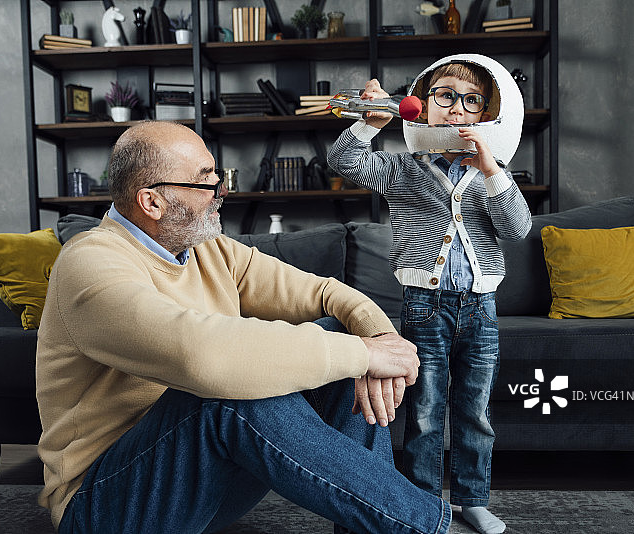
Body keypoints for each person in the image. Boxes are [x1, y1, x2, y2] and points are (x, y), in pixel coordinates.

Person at [36, 120, 455, 533]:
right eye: (205, 184)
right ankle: (421, 526)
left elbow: (328, 293)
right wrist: (363, 355)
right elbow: (199, 356)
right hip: (103, 504)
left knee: (338, 332)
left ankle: (376, 528)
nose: (221, 194)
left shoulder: (211, 251)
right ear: (152, 202)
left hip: (197, 484)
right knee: (224, 394)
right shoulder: (90, 263)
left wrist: (378, 339)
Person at [327, 57, 532, 534]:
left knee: (475, 410)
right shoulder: (402, 169)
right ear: (424, 105)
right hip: (424, 306)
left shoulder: (493, 174)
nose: (456, 108)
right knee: (424, 407)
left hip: (481, 308)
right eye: (444, 95)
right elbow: (344, 162)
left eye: (471, 100)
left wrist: (490, 168)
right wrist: (367, 123)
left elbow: (518, 229)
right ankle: (422, 500)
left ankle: (471, 498)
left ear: (486, 113)